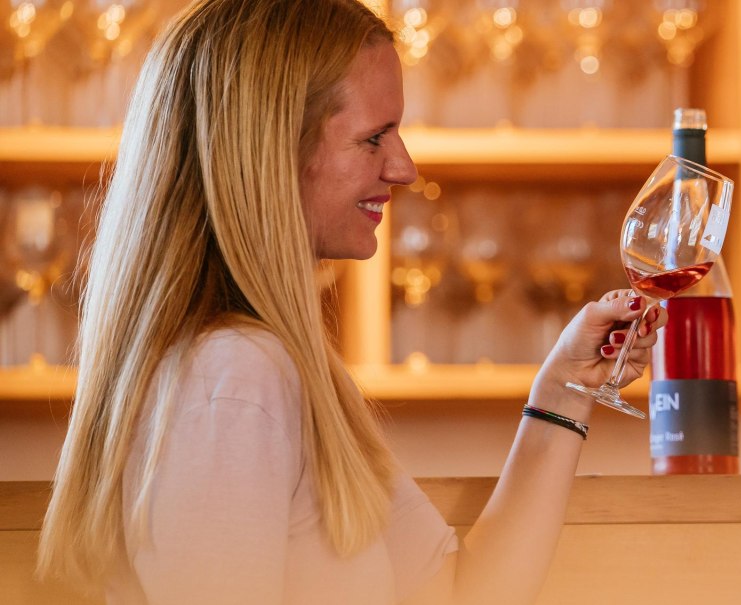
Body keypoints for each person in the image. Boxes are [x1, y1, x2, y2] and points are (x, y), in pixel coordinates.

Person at [35, 0, 664, 603]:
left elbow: (464, 595)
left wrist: (563, 392)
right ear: (271, 150)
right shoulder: (232, 378)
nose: (404, 168)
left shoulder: (278, 367)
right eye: (374, 138)